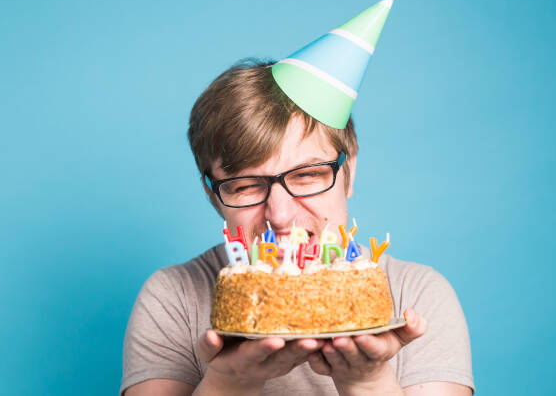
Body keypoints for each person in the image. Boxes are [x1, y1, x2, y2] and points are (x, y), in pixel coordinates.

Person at [120, 59, 474, 395]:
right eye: (245, 185)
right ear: (213, 194)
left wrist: (367, 382)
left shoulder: (418, 295)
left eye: (306, 176)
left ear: (348, 172)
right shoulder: (173, 298)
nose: (280, 215)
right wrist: (230, 382)